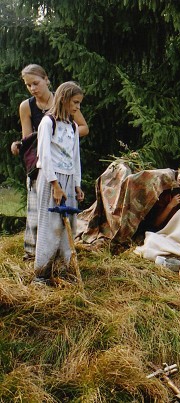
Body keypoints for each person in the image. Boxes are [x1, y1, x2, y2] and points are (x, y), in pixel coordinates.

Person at [10, 64, 89, 261]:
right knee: (36, 209)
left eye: (36, 83)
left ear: (46, 79)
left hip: (61, 161)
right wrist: (20, 144)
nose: (32, 88)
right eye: (28, 85)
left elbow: (83, 127)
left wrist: (60, 136)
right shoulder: (26, 106)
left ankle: (56, 255)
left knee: (58, 212)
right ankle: (33, 254)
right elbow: (29, 138)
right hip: (39, 161)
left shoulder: (65, 100)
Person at [32, 81, 85, 284]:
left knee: (68, 225)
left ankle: (65, 271)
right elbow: (44, 156)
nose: (77, 107)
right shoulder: (48, 122)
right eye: (75, 102)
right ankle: (42, 274)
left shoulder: (72, 126)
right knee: (50, 225)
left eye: (79, 103)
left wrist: (77, 184)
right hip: (51, 179)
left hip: (69, 179)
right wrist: (55, 185)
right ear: (64, 99)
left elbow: (75, 157)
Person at [134, 162, 180, 269]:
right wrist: (170, 205)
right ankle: (173, 260)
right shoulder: (167, 195)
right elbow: (157, 223)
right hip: (170, 236)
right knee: (151, 240)